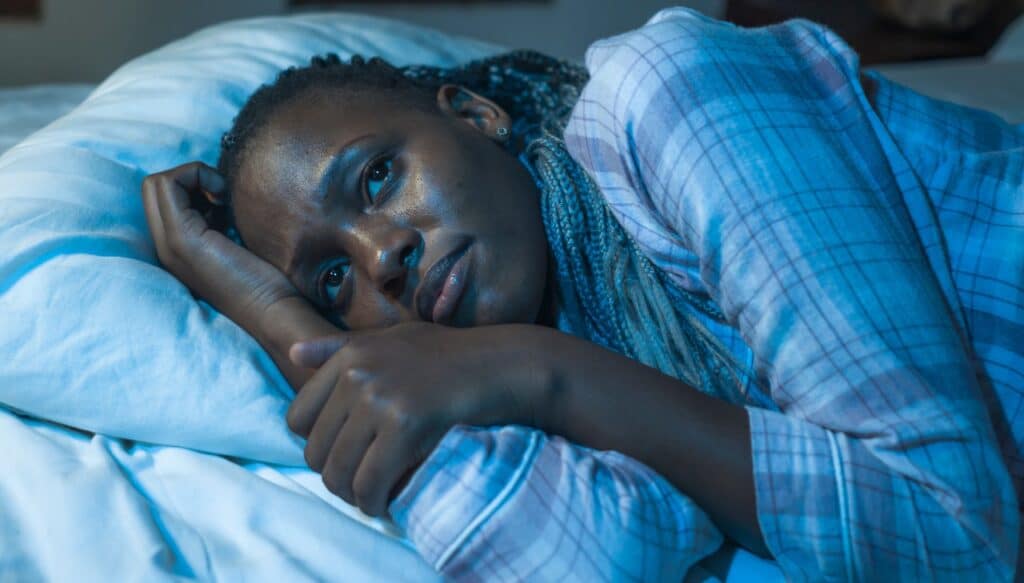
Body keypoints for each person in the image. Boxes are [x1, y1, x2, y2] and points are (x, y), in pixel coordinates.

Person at [140, 7, 1023, 581]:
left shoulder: (667, 90)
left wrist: (542, 370)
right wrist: (280, 320)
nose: (384, 259)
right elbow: (578, 555)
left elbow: (961, 542)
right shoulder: (522, 352)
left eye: (377, 178)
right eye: (331, 279)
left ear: (478, 115)